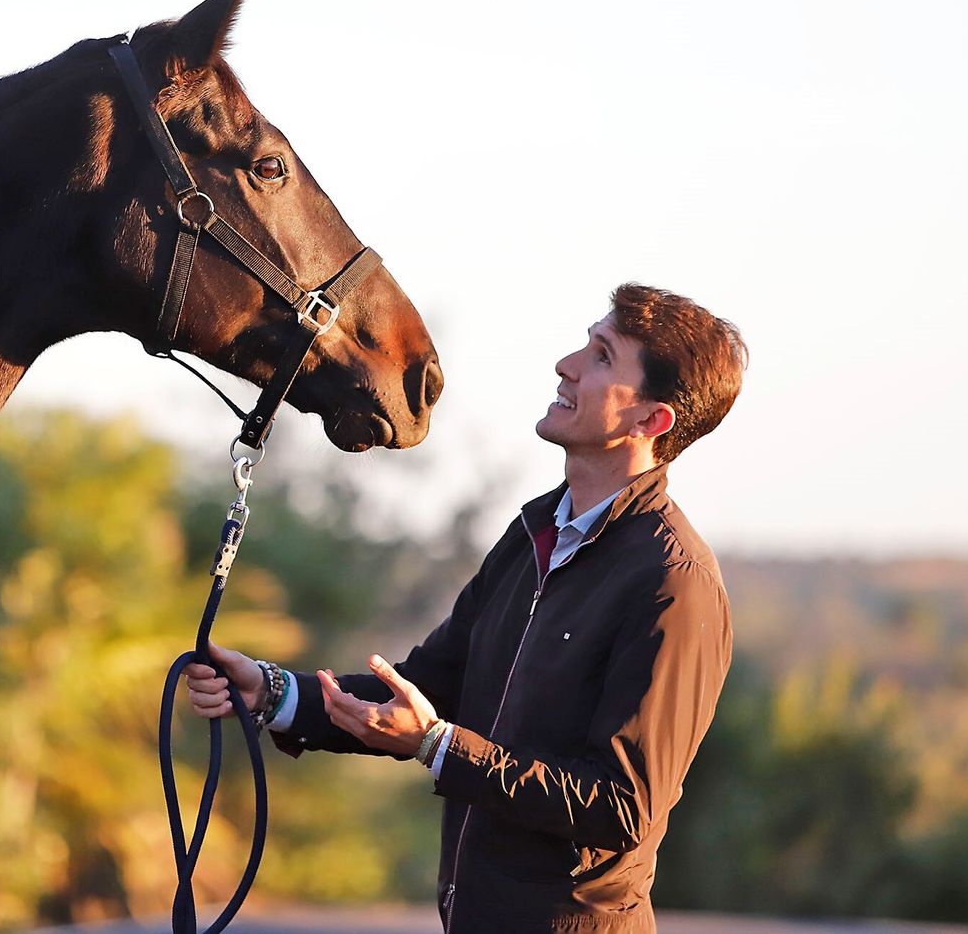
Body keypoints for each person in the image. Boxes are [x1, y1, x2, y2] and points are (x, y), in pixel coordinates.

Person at [184, 282, 747, 933]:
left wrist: (437, 744)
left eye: (600, 356)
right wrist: (276, 692)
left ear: (651, 421)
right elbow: (429, 686)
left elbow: (622, 806)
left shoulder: (673, 584)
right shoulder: (533, 533)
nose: (566, 365)